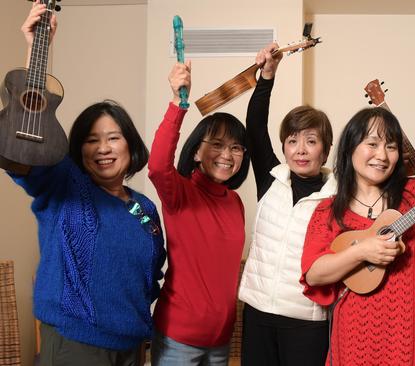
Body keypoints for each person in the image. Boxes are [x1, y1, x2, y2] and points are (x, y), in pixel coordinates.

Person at [3, 4, 166, 365]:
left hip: (132, 346)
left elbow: (152, 271)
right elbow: (28, 140)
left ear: (130, 144)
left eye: (113, 137)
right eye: (92, 140)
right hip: (75, 346)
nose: (104, 148)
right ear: (77, 148)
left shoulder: (144, 207)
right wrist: (36, 52)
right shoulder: (64, 184)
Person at [301, 107, 415, 365]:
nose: (382, 155)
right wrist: (361, 251)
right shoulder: (328, 211)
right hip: (355, 339)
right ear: (350, 148)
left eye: (391, 147)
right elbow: (314, 273)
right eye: (372, 144)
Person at [237, 43, 335, 366]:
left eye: (311, 140)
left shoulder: (339, 194)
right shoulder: (271, 179)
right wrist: (267, 76)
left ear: (325, 148)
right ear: (283, 146)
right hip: (258, 313)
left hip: (307, 321)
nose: (300, 150)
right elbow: (254, 128)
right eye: (292, 141)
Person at [148, 59, 250, 366]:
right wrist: (179, 104)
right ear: (196, 152)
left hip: (220, 341)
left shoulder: (235, 202)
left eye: (236, 148)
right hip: (178, 338)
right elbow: (156, 166)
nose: (227, 155)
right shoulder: (180, 193)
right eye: (217, 145)